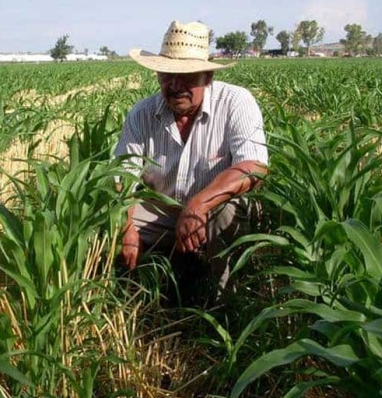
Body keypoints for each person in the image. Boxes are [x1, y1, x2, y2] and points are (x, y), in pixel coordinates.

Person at [115, 20, 269, 301]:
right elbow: (121, 178)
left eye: (187, 77)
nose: (175, 86)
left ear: (207, 76)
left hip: (213, 210)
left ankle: (225, 303)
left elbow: (254, 166)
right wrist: (125, 229)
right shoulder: (142, 113)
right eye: (167, 75)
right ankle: (128, 295)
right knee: (107, 219)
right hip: (162, 210)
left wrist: (198, 204)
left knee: (226, 213)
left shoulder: (235, 102)